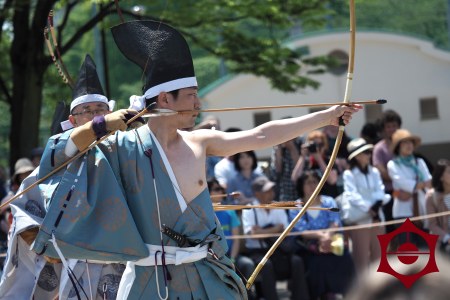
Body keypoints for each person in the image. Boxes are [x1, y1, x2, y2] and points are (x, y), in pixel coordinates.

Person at [30, 20, 360, 300]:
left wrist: (325, 117)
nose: (199, 104)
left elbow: (261, 135)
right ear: (164, 100)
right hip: (151, 282)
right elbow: (60, 153)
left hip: (207, 276)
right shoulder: (123, 146)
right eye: (190, 96)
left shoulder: (201, 141)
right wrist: (102, 124)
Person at [0, 55, 125, 300]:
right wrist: (46, 246)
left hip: (122, 258)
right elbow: (24, 209)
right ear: (72, 120)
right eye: (86, 111)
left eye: (100, 110)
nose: (94, 116)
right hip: (72, 262)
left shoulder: (125, 155)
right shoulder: (57, 160)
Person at [290, 170, 355, 300]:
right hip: (309, 246)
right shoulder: (296, 206)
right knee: (317, 262)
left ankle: (349, 292)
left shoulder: (328, 202)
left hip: (330, 241)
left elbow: (335, 222)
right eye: (308, 183)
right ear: (301, 186)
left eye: (315, 182)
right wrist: (321, 237)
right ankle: (322, 293)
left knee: (345, 257)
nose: (312, 185)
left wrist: (327, 237)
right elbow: (301, 230)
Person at [242, 176, 310, 300]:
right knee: (265, 265)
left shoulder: (277, 206)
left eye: (272, 190)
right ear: (257, 194)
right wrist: (274, 229)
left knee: (297, 261)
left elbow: (285, 231)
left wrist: (263, 231)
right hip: (258, 252)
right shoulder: (249, 208)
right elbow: (252, 234)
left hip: (279, 250)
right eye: (267, 191)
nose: (271, 193)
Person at [342, 138, 390, 274]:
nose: (369, 155)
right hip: (360, 220)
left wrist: (375, 206)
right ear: (356, 156)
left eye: (369, 152)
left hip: (377, 219)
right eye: (365, 152)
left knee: (380, 259)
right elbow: (352, 195)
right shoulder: (349, 174)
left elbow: (381, 191)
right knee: (361, 260)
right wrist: (370, 207)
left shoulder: (374, 172)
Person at [387, 129, 432, 234]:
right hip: (403, 211)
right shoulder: (393, 164)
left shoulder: (419, 162)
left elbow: (429, 182)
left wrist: (415, 187)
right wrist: (418, 186)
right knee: (406, 248)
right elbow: (403, 183)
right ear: (398, 146)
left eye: (410, 142)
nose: (409, 145)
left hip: (422, 210)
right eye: (405, 142)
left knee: (424, 248)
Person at [372, 110, 402, 231]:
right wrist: (401, 179)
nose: (392, 129)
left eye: (394, 126)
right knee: (391, 226)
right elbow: (381, 172)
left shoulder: (405, 145)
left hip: (408, 192)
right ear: (383, 129)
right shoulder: (379, 148)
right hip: (390, 193)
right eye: (388, 126)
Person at [292, 130, 340, 198]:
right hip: (309, 202)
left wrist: (319, 159)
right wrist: (302, 157)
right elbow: (294, 179)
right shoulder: (306, 162)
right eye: (314, 145)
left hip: (328, 201)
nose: (317, 148)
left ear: (324, 146)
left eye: (320, 145)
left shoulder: (329, 160)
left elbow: (332, 180)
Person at [269, 118, 301, 201]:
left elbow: (302, 168)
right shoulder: (277, 147)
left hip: (300, 192)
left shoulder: (300, 143)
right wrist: (279, 149)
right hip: (283, 193)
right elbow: (277, 171)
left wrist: (292, 148)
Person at [426, 159, 450, 254]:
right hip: (444, 244)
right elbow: (432, 224)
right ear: (441, 177)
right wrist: (447, 238)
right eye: (449, 172)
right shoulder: (432, 197)